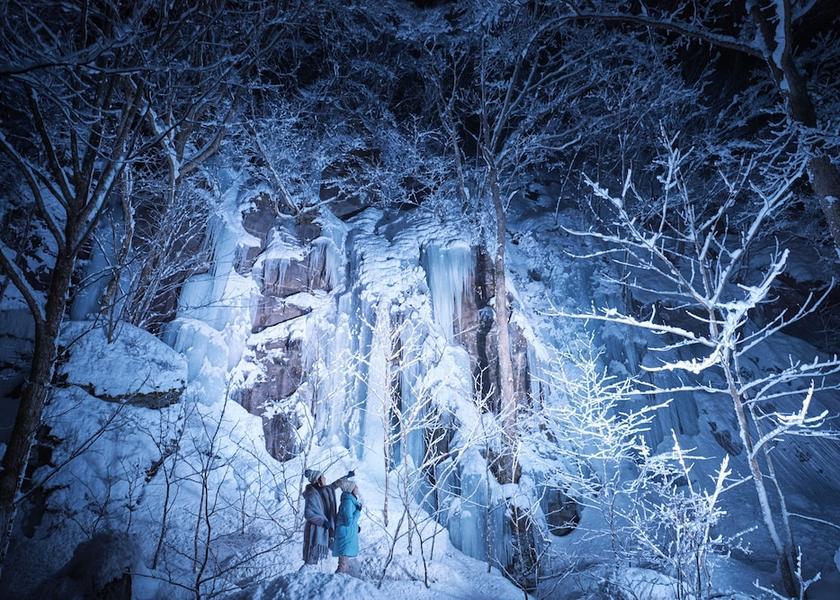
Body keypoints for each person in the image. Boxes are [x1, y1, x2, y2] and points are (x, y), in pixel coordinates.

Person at [301, 468, 354, 569]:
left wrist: (347, 476)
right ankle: (303, 575)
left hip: (327, 527)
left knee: (337, 546)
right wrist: (323, 522)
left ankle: (342, 568)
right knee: (312, 555)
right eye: (322, 477)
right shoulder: (311, 494)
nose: (325, 478)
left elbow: (336, 484)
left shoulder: (326, 489)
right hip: (316, 530)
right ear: (317, 480)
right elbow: (308, 513)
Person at [333, 479, 363, 574]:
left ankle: (339, 583)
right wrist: (358, 512)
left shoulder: (350, 501)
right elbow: (348, 522)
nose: (357, 488)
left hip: (347, 533)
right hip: (345, 535)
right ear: (351, 489)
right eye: (355, 486)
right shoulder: (348, 502)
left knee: (344, 563)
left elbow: (346, 518)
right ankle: (335, 582)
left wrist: (356, 527)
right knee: (343, 565)